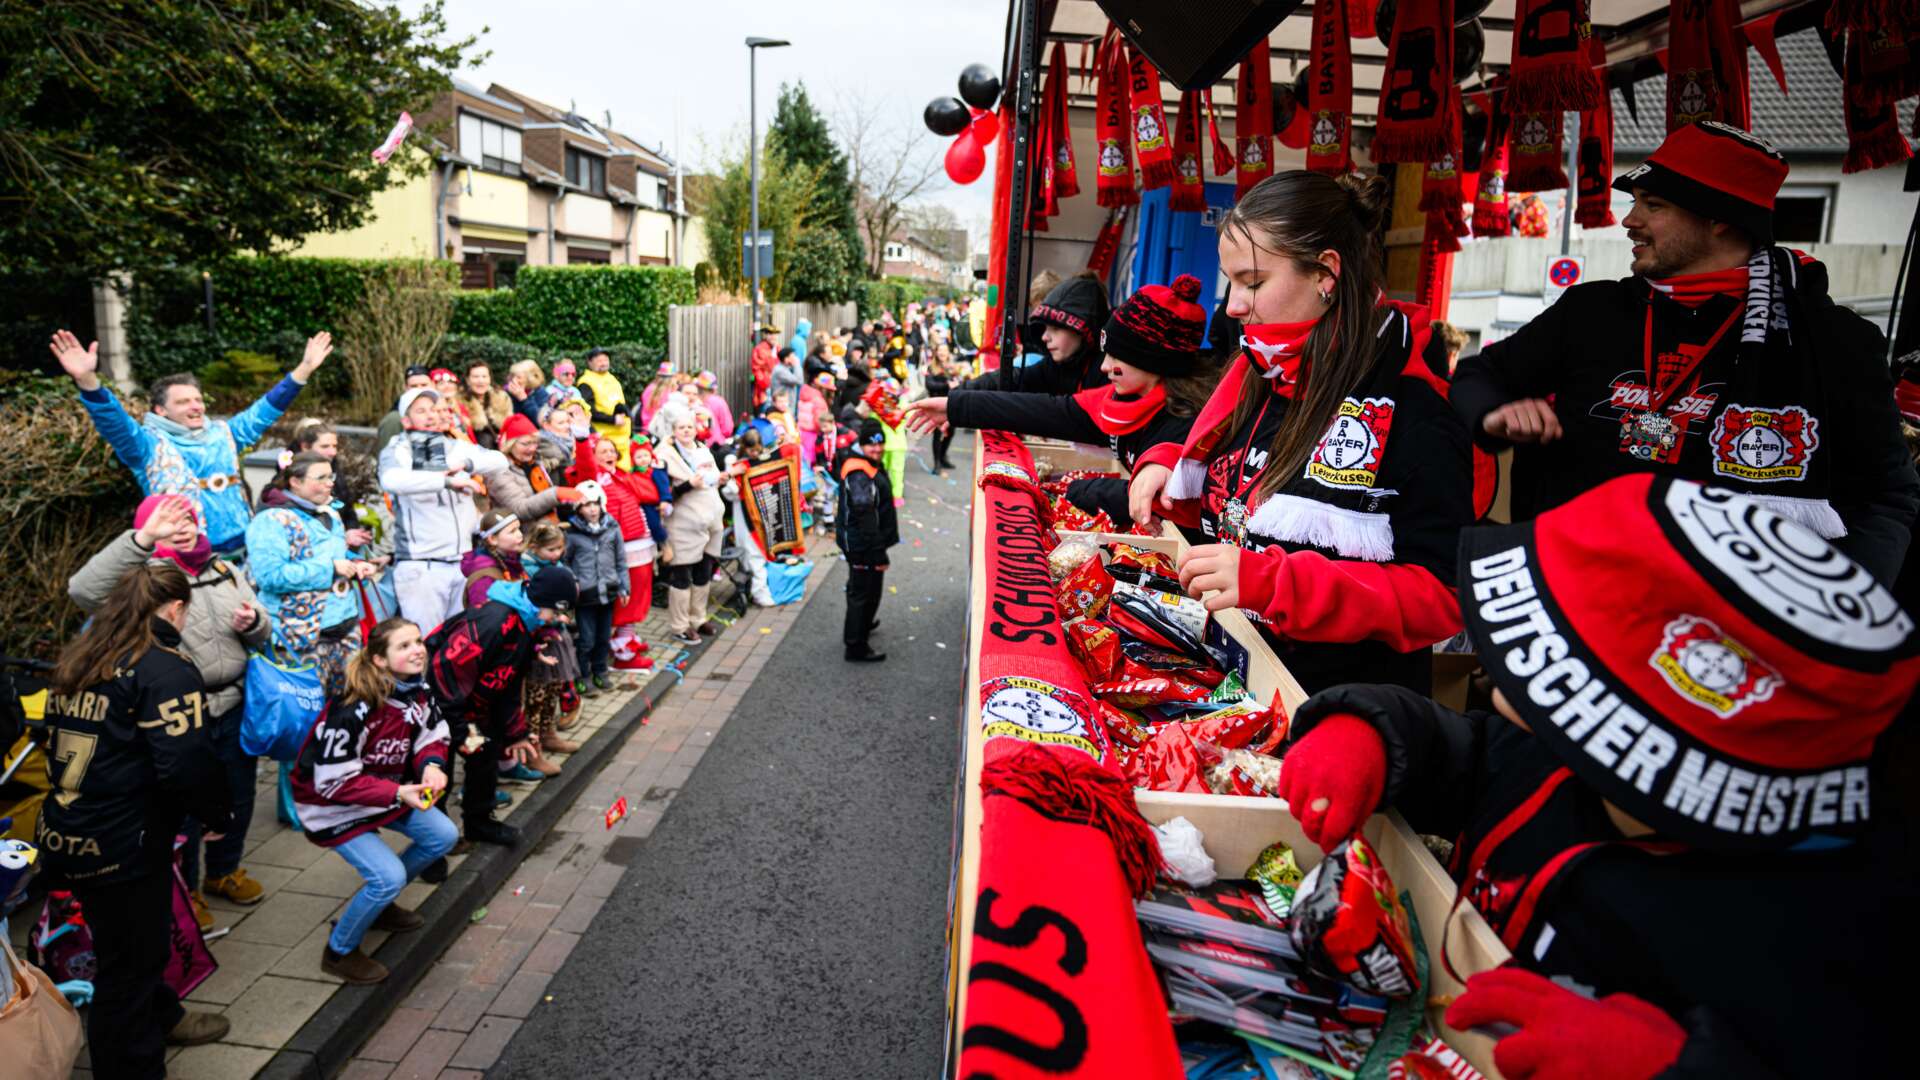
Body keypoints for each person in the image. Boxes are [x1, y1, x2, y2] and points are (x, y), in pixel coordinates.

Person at [1276, 476, 1919, 1077]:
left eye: (1552, 670)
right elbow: (1473, 755)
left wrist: (1676, 1068)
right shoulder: (1562, 759)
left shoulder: (1816, 946)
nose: (1496, 678)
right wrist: (1374, 730)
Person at [1451, 122, 1919, 586]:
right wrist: (1495, 415)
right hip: (1580, 594)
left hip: (1735, 621)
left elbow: (1886, 497)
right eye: (1635, 203)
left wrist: (1847, 608)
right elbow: (1477, 374)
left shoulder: (1828, 339)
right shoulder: (1590, 310)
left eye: (1653, 206)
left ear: (1719, 220)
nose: (1629, 221)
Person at [1128, 172, 1473, 696]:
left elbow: (1444, 597)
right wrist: (1164, 461)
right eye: (1231, 284)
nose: (1233, 306)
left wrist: (1279, 584)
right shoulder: (1262, 377)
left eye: (1253, 282)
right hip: (1238, 687)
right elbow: (1240, 481)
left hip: (1336, 721)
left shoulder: (1415, 412)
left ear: (1325, 274)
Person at [38, 563, 235, 1071]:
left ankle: (165, 1015)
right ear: (174, 609)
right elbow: (186, 763)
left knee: (128, 941)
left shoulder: (86, 655)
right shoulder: (163, 668)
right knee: (129, 968)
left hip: (70, 828)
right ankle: (130, 1065)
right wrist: (217, 814)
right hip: (121, 842)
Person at [68, 495, 270, 925]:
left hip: (233, 703)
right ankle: (189, 890)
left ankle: (225, 870)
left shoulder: (224, 568)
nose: (183, 527)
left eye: (189, 519)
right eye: (170, 521)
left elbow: (264, 629)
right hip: (179, 710)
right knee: (186, 801)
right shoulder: (146, 580)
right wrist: (143, 539)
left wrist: (254, 624)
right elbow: (83, 592)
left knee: (238, 793)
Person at [910, 275, 1218, 523]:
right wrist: (954, 406)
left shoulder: (1191, 421)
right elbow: (1044, 411)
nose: (1105, 366)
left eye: (1117, 357)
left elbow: (1170, 500)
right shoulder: (1119, 400)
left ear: (1155, 362)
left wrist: (1083, 490)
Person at [50, 328, 335, 554]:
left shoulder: (224, 434)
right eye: (184, 402)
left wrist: (304, 370)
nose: (196, 406)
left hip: (245, 549)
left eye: (198, 400)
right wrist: (88, 381)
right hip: (186, 558)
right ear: (160, 410)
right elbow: (115, 424)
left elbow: (264, 410)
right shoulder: (148, 445)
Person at [291, 617, 456, 985]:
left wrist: (432, 765)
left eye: (417, 641)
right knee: (387, 877)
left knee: (443, 836)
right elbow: (331, 782)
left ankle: (380, 909)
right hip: (331, 806)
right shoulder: (354, 706)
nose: (418, 649)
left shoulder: (417, 689)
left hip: (385, 792)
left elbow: (434, 733)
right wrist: (398, 792)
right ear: (379, 660)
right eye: (404, 646)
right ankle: (339, 952)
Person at [425, 565, 576, 846]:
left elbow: (507, 684)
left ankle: (479, 824)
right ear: (542, 602)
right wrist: (458, 728)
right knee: (439, 770)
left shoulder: (525, 624)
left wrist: (515, 732)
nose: (558, 619)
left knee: (485, 754)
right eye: (555, 612)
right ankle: (434, 842)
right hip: (444, 711)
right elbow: (445, 670)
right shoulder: (495, 621)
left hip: (475, 708)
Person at [379, 387, 511, 633]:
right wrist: (446, 481)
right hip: (422, 567)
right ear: (406, 420)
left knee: (457, 646)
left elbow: (500, 461)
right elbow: (391, 480)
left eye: (434, 409)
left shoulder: (455, 447)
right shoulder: (398, 449)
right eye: (421, 411)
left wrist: (464, 464)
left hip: (462, 563)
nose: (431, 415)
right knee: (426, 644)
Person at [248, 451, 375, 693]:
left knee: (347, 708)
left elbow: (336, 553)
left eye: (331, 476)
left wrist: (356, 564)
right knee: (307, 715)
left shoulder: (329, 512)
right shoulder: (270, 521)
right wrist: (330, 569)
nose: (330, 483)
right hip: (298, 637)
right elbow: (270, 577)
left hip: (344, 630)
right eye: (321, 478)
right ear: (295, 482)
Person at [570, 432, 661, 631]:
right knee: (624, 598)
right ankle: (621, 647)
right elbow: (585, 464)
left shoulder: (622, 473)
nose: (609, 454)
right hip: (620, 545)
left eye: (612, 450)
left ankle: (626, 638)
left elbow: (650, 494)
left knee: (639, 592)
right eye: (603, 451)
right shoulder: (592, 478)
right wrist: (582, 438)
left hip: (639, 540)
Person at [968, 274, 1110, 395]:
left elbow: (1067, 410)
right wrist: (958, 397)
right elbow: (1014, 378)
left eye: (1055, 327)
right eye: (1044, 326)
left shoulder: (1108, 371)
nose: (1044, 336)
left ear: (1081, 327)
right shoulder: (1055, 366)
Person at [658, 407, 728, 646]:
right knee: (682, 575)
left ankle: (698, 618)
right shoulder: (664, 455)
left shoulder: (703, 449)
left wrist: (720, 479)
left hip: (711, 521)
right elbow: (661, 495)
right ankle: (679, 625)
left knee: (704, 571)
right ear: (673, 430)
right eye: (681, 427)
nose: (686, 431)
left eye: (690, 426)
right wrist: (688, 485)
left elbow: (711, 480)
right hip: (683, 525)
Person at [521, 522, 588, 749]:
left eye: (560, 548)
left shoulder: (557, 564)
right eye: (551, 549)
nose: (557, 554)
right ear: (534, 546)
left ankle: (548, 734)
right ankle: (533, 743)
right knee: (536, 693)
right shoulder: (527, 568)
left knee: (554, 687)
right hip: (538, 638)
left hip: (557, 634)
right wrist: (549, 618)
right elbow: (531, 603)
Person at [836, 418, 898, 662]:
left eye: (881, 444)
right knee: (863, 592)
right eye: (872, 445)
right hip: (863, 545)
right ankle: (855, 646)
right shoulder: (859, 472)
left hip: (863, 543)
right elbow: (865, 515)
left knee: (864, 588)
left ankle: (863, 625)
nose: (878, 449)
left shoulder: (866, 463)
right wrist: (878, 553)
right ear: (862, 445)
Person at [564, 481, 629, 693]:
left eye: (596, 504)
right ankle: (583, 674)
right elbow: (565, 564)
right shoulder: (572, 534)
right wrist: (573, 585)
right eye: (586, 505)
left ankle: (600, 671)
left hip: (608, 592)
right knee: (586, 640)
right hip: (585, 595)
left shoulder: (612, 528)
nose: (592, 509)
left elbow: (621, 560)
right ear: (578, 508)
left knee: (603, 637)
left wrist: (624, 587)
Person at [482, 413, 582, 527]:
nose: (532, 448)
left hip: (549, 528)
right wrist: (556, 493)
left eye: (535, 442)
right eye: (526, 444)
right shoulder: (499, 471)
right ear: (510, 444)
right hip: (525, 537)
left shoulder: (535, 462)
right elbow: (520, 509)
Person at [576, 347, 634, 468]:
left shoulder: (611, 378)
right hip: (605, 440)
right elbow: (589, 411)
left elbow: (619, 403)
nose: (603, 363)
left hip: (623, 439)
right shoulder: (586, 382)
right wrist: (612, 419)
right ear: (590, 363)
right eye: (599, 360)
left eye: (605, 359)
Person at [462, 510, 526, 612]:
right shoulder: (483, 579)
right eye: (512, 531)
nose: (520, 534)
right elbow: (486, 618)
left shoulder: (513, 562)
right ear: (492, 539)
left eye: (519, 529)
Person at [376, 365, 435, 453]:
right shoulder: (395, 419)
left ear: (433, 385)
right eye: (414, 386)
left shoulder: (439, 411)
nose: (419, 389)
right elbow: (387, 456)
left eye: (424, 385)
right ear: (406, 388)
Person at [458, 362, 513, 448]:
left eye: (484, 376)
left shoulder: (502, 398)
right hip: (475, 447)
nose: (481, 381)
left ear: (490, 379)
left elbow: (510, 424)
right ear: (468, 380)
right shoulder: (460, 401)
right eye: (476, 377)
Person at [921, 344, 958, 473]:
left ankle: (943, 457)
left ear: (948, 353)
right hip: (936, 405)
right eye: (940, 350)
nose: (942, 353)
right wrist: (946, 384)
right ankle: (936, 463)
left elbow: (958, 382)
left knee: (951, 432)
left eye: (945, 350)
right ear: (936, 352)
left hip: (951, 404)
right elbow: (930, 385)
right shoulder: (931, 368)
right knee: (938, 434)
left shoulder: (952, 368)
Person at [694, 371, 735, 448]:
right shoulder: (719, 402)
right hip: (716, 445)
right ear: (713, 389)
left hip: (696, 445)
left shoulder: (693, 401)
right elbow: (727, 429)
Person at [836, 340, 874, 414]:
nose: (858, 354)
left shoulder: (859, 366)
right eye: (856, 351)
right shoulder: (842, 364)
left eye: (860, 351)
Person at [769, 346, 804, 417]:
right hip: (781, 406)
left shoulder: (786, 368)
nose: (795, 358)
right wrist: (797, 364)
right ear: (786, 359)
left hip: (787, 405)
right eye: (793, 356)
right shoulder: (780, 370)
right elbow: (799, 381)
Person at [751, 324, 780, 408]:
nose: (773, 336)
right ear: (766, 335)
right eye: (771, 334)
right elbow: (757, 369)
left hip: (777, 387)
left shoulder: (777, 348)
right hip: (764, 389)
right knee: (765, 412)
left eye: (775, 334)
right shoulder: (760, 349)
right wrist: (767, 384)